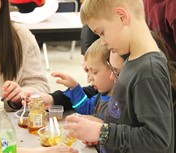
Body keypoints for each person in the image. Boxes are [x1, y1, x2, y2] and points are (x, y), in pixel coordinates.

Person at [64, 0, 174, 152]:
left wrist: (101, 132)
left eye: (101, 32)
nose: (102, 42)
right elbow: (126, 122)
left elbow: (157, 141)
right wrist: (99, 136)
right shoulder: (131, 60)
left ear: (122, 17)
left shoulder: (148, 71)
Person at [0, 0, 50, 111]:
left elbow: (41, 87)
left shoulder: (21, 37)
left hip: (9, 124)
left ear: (2, 5)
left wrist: (22, 94)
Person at [48, 38, 114, 119]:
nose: (89, 79)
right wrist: (74, 87)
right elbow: (85, 107)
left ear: (114, 69)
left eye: (94, 72)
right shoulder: (101, 96)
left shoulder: (124, 104)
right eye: (88, 72)